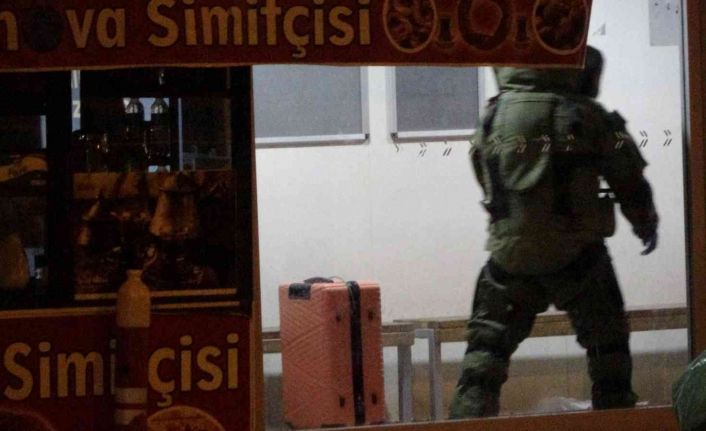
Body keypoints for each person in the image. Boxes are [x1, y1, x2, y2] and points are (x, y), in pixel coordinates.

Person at [448, 46, 659, 418]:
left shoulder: (494, 115)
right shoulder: (587, 114)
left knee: (484, 359)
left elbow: (483, 173)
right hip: (579, 258)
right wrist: (644, 222)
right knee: (608, 352)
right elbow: (627, 177)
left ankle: (468, 421)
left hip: (508, 259)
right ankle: (616, 421)